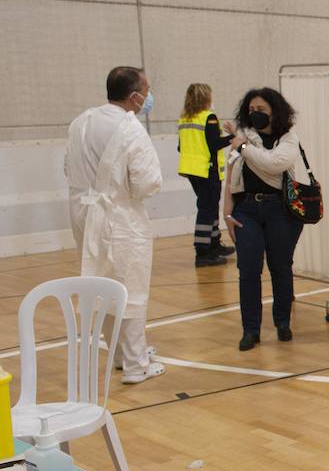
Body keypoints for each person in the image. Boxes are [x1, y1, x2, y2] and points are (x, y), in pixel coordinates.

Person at [65, 66, 166, 383]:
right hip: (120, 217)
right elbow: (147, 182)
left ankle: (121, 355)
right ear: (135, 96)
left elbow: (68, 167)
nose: (148, 96)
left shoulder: (80, 122)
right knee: (130, 287)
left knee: (101, 287)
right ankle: (137, 365)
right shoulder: (130, 128)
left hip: (84, 213)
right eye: (146, 90)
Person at [222, 88, 305, 352]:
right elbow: (230, 177)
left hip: (280, 209)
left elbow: (274, 164)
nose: (255, 114)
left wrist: (243, 146)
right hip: (246, 210)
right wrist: (226, 214)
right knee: (248, 270)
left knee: (281, 267)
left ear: (275, 111)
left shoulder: (287, 138)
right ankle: (251, 330)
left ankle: (282, 322)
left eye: (261, 110)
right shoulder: (243, 138)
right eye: (251, 110)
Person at [177, 83, 234, 266]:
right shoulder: (208, 118)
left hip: (191, 171)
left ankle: (215, 245)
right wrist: (233, 138)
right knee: (206, 210)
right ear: (205, 98)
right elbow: (214, 144)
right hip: (207, 170)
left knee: (209, 207)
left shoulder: (185, 119)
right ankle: (202, 253)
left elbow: (180, 147)